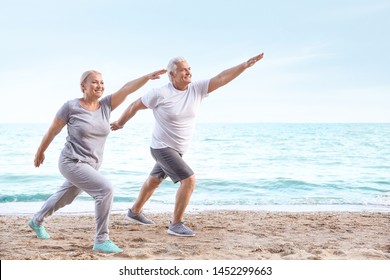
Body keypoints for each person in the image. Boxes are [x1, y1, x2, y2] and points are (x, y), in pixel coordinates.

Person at [110, 53, 264, 237]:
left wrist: (244, 65)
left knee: (155, 180)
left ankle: (134, 212)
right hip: (161, 147)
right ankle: (175, 224)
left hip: (178, 149)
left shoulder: (196, 89)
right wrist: (120, 122)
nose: (188, 72)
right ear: (172, 75)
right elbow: (135, 105)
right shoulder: (160, 93)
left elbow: (222, 78)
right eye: (183, 70)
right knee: (189, 180)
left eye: (189, 69)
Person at [29, 68, 167, 253]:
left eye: (102, 82)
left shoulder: (105, 106)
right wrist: (40, 151)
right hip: (71, 162)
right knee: (105, 189)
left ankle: (36, 220)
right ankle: (101, 239)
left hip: (91, 165)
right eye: (94, 82)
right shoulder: (71, 107)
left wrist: (146, 78)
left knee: (65, 197)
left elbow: (126, 89)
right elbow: (53, 130)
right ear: (83, 86)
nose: (99, 85)